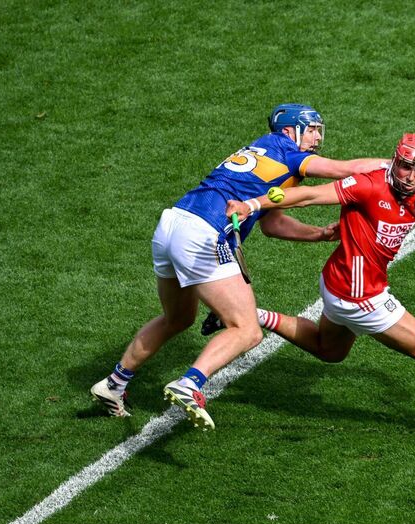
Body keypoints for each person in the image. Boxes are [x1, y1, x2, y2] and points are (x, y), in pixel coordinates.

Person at [90, 103, 388, 430]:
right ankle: (190, 383)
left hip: (172, 225)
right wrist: (399, 165)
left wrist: (318, 234)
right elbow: (345, 169)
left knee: (178, 318)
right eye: (312, 130)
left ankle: (114, 384)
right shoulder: (288, 152)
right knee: (247, 330)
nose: (317, 137)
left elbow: (272, 223)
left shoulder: (266, 152)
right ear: (290, 130)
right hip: (204, 234)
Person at [222, 133, 415, 441]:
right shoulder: (368, 185)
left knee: (329, 350)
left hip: (336, 281)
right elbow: (310, 196)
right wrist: (253, 204)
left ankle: (252, 315)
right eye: (405, 167)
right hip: (359, 295)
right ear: (394, 161)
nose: (410, 176)